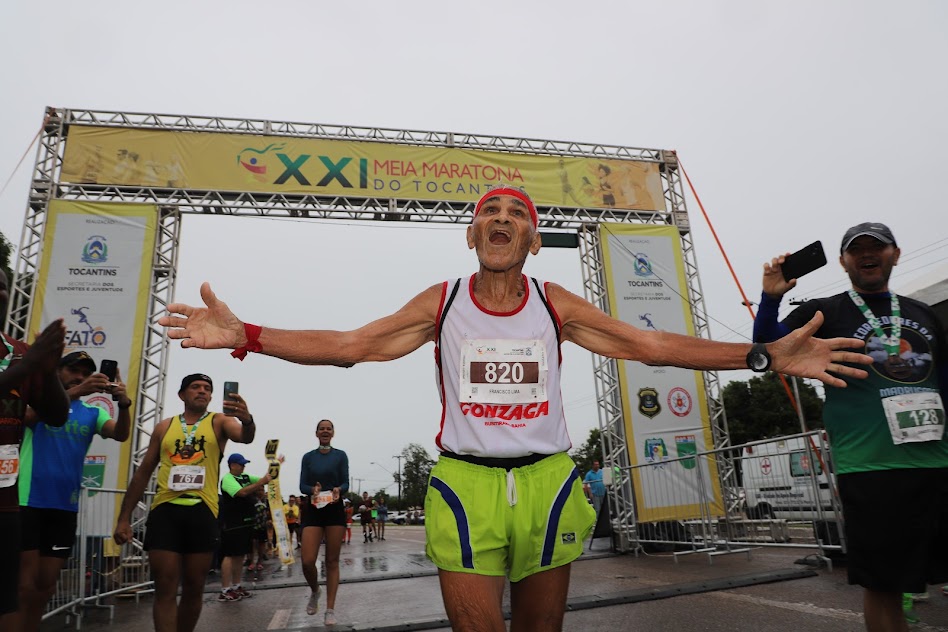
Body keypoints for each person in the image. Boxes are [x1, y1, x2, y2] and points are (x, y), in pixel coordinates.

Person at [159, 186, 873, 631]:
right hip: (466, 484)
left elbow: (651, 344)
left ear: (531, 239)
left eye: (516, 216)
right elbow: (351, 344)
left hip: (548, 484)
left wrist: (763, 355)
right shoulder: (440, 303)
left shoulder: (555, 303)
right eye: (488, 214)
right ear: (473, 236)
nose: (501, 220)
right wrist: (246, 335)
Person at [754, 222, 948, 632]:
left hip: (938, 464)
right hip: (872, 469)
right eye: (856, 249)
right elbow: (766, 350)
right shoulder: (826, 311)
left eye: (876, 247)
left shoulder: (922, 313)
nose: (866, 254)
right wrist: (771, 299)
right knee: (884, 586)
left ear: (895, 253)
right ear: (843, 261)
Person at [112, 374, 257, 632]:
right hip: (166, 509)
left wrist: (247, 419)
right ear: (182, 395)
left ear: (211, 396)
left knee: (193, 587)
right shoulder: (164, 427)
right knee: (165, 588)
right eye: (195, 387)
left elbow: (245, 437)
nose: (202, 391)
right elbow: (144, 472)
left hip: (203, 510)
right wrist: (124, 517)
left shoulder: (219, 421)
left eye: (207, 388)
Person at [16, 351, 132, 631]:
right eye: (72, 371)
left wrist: (124, 404)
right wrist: (78, 391)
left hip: (64, 505)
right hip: (27, 501)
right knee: (24, 585)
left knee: (46, 585)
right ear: (57, 371)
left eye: (84, 372)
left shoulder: (93, 412)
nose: (78, 377)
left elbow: (120, 434)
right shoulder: (41, 401)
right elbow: (27, 417)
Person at [0, 308, 68, 630]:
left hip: (5, 503)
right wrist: (28, 365)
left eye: (2, 286)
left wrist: (49, 370)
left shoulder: (20, 352)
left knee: (8, 600)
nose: (0, 292)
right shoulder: (24, 359)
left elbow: (56, 415)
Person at [298, 419, 349, 626]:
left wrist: (339, 490)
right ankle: (315, 590)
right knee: (308, 561)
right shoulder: (308, 457)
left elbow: (345, 481)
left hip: (334, 508)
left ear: (333, 433)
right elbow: (302, 484)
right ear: (316, 433)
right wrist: (313, 490)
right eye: (322, 428)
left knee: (332, 561)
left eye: (329, 428)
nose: (325, 431)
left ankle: (330, 609)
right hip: (313, 508)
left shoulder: (341, 455)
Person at [219, 452, 271, 601]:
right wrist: (260, 483)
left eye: (244, 464)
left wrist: (274, 465)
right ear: (232, 465)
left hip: (246, 522)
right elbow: (242, 492)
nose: (243, 467)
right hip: (232, 523)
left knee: (240, 555)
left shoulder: (245, 477)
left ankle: (236, 586)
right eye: (241, 464)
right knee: (230, 555)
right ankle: (224, 589)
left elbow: (264, 480)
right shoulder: (228, 479)